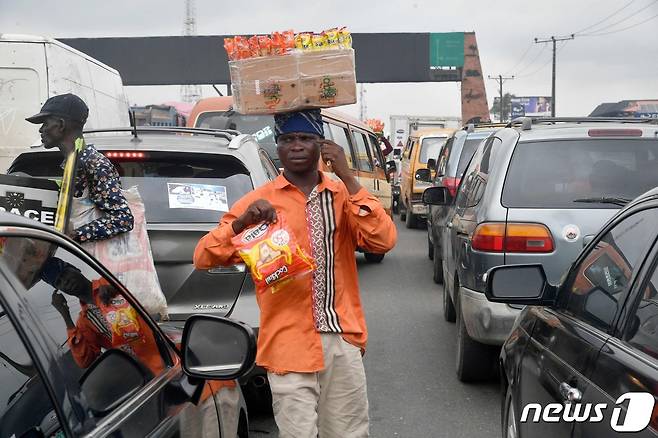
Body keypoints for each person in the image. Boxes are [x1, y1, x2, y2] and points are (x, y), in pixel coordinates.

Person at [194, 109, 397, 437]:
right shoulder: (259, 202)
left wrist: (347, 175)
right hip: (288, 345)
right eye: (288, 139)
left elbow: (383, 239)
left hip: (342, 339)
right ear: (278, 146)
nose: (297, 146)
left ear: (321, 145)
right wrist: (242, 223)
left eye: (305, 138)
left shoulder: (341, 194)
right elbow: (203, 256)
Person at [26, 93, 134, 243]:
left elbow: (123, 218)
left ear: (61, 125)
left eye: (45, 123)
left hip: (90, 261)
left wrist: (76, 236)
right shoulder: (73, 162)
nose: (41, 130)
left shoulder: (94, 164)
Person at [41, 257, 163, 373]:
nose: (65, 282)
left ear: (74, 268)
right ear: (60, 289)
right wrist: (66, 317)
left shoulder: (110, 279)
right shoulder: (85, 322)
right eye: (59, 282)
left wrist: (116, 287)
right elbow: (84, 361)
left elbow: (148, 291)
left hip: (167, 355)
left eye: (64, 274)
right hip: (146, 375)